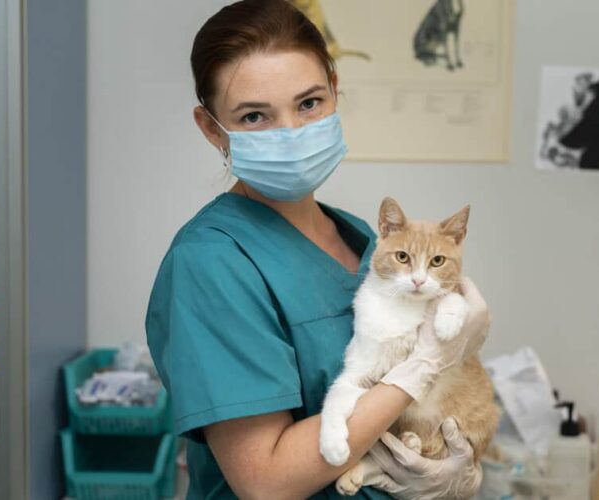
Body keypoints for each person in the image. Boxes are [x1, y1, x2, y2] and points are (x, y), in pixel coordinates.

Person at [144, 1, 490, 498]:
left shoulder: (362, 239)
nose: (291, 133)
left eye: (309, 103)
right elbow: (265, 480)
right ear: (210, 127)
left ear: (333, 88)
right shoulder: (210, 263)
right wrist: (425, 365)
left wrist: (460, 469)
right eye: (255, 116)